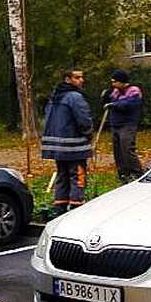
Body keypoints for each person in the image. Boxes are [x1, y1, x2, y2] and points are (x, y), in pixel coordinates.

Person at [41, 69, 94, 214]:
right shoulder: (75, 97)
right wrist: (89, 133)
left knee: (62, 176)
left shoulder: (55, 97)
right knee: (78, 176)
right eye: (77, 77)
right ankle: (76, 209)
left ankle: (60, 208)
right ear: (68, 79)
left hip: (57, 147)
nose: (81, 80)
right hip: (74, 146)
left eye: (82, 77)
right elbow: (84, 119)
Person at [103, 69, 143, 182]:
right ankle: (123, 173)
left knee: (127, 148)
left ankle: (136, 173)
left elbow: (128, 105)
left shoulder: (134, 91)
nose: (113, 84)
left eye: (115, 82)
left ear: (122, 81)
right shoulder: (116, 91)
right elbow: (109, 100)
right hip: (115, 124)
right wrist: (105, 97)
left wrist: (113, 105)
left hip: (128, 124)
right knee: (118, 150)